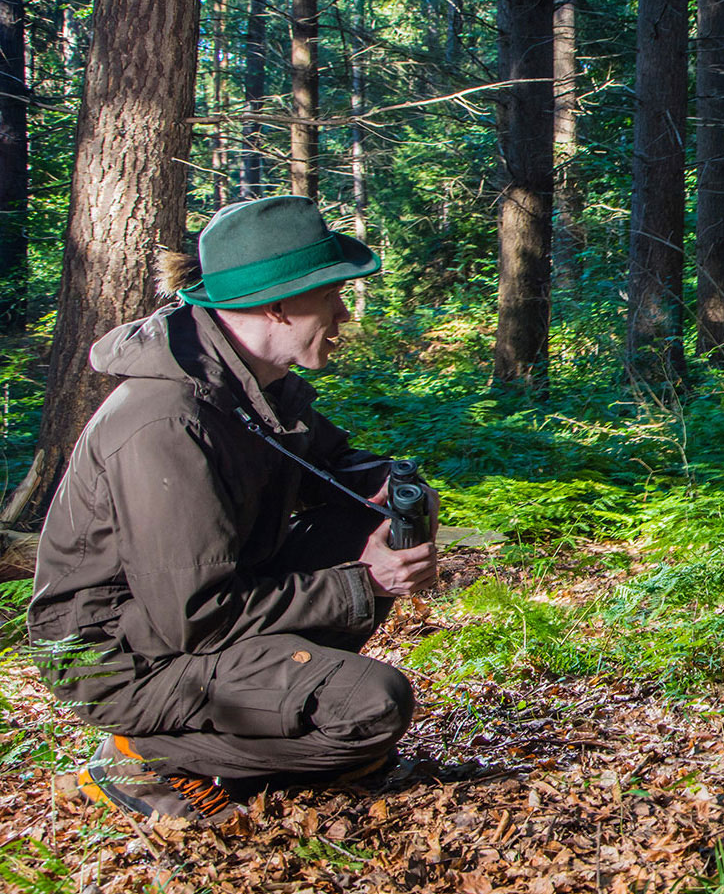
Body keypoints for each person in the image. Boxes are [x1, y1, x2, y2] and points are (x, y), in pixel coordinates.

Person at [29, 196, 437, 827]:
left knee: (365, 519)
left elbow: (327, 466)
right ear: (277, 305)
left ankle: (270, 729)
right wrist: (369, 581)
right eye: (332, 296)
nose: (344, 313)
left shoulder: (251, 386)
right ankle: (142, 754)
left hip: (185, 616)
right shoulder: (167, 422)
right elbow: (195, 616)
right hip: (115, 655)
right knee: (372, 707)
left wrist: (390, 488)